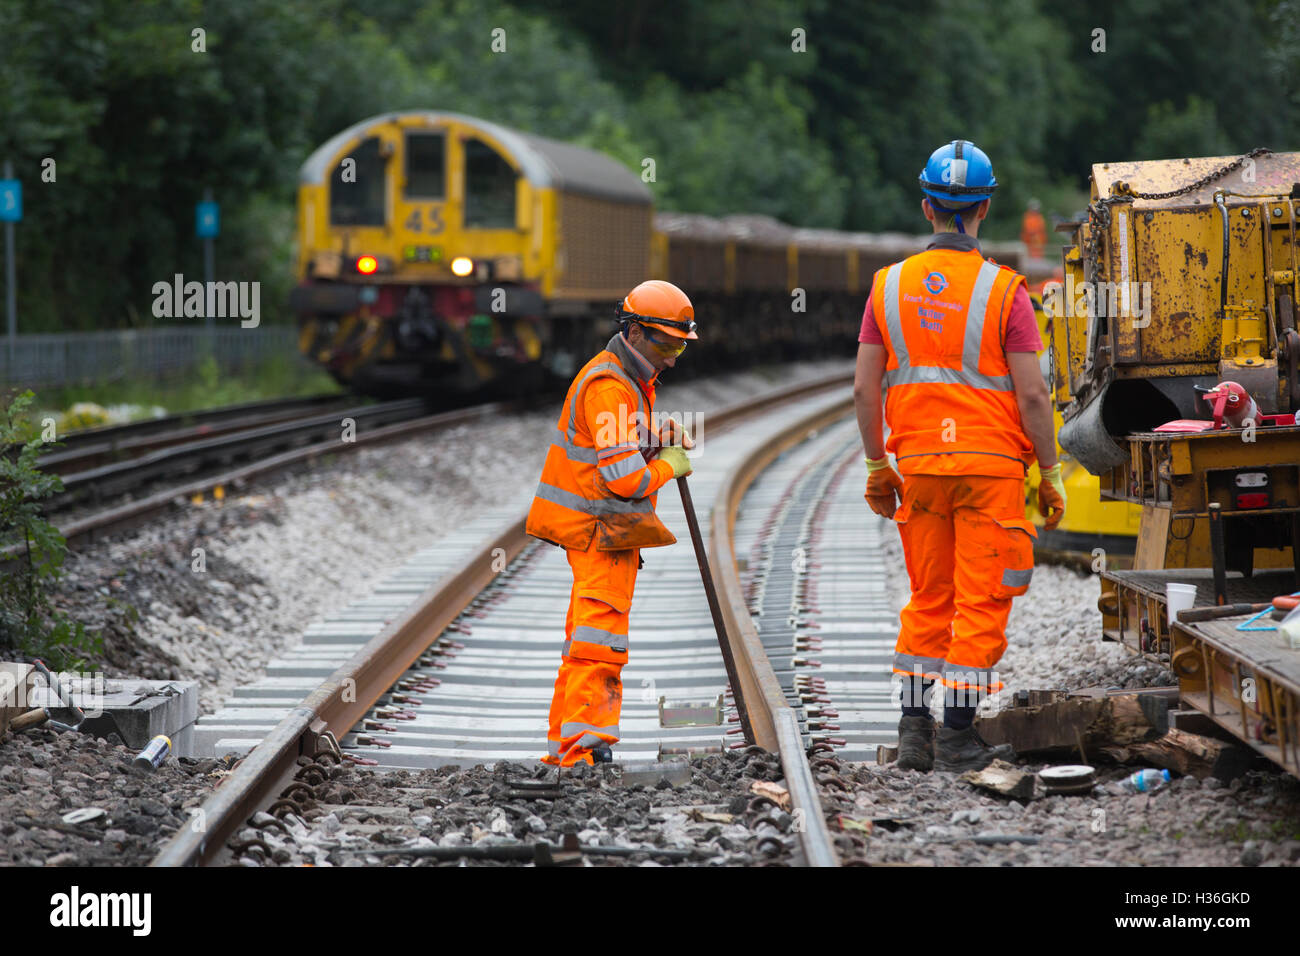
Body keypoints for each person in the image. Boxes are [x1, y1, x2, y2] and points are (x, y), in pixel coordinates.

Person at [852, 140, 1068, 773]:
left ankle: (914, 731)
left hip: (918, 469)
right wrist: (1051, 473)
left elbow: (866, 388)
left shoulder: (887, 288)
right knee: (980, 602)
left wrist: (875, 466)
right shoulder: (1007, 293)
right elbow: (1032, 392)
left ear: (927, 208)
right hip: (989, 472)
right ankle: (956, 735)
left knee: (929, 598)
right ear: (986, 210)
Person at [526, 280, 697, 767]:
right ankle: (584, 751)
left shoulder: (624, 378)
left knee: (585, 642)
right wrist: (670, 465)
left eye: (680, 346)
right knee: (599, 646)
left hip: (603, 533)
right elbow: (625, 479)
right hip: (598, 533)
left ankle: (567, 746)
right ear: (635, 332)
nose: (672, 356)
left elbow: (617, 436)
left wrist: (655, 430)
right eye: (666, 344)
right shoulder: (609, 386)